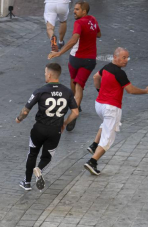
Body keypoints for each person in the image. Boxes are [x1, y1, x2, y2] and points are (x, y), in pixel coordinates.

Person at [84, 48, 148, 175]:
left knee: (106, 124)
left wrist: (99, 90)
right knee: (108, 138)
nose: (126, 60)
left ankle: (94, 145)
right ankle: (92, 162)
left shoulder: (106, 67)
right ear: (115, 57)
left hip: (99, 105)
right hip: (111, 107)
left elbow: (96, 77)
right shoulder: (119, 73)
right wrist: (146, 91)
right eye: (123, 57)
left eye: (127, 57)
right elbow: (130, 90)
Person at [15, 63, 79, 191]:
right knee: (47, 156)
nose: (45, 75)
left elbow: (26, 111)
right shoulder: (67, 92)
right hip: (55, 131)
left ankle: (27, 183)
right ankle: (39, 169)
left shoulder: (40, 90)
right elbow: (75, 112)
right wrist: (64, 123)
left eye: (45, 73)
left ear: (49, 75)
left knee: (32, 153)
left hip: (39, 129)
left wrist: (19, 118)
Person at [48, 1, 100, 131]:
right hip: (89, 60)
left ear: (84, 11)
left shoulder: (79, 23)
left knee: (76, 83)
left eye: (77, 9)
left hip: (75, 58)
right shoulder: (92, 20)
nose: (74, 11)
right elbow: (98, 34)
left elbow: (73, 39)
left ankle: (74, 110)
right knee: (78, 85)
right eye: (74, 9)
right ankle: (76, 105)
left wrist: (59, 52)